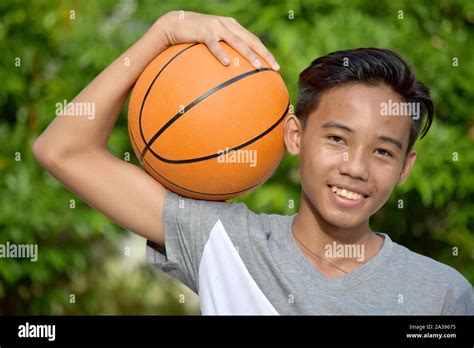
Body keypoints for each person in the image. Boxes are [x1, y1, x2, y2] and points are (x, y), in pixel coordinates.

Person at [33, 11, 473, 315]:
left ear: (405, 167)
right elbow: (62, 149)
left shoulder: (441, 295)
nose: (355, 168)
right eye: (337, 139)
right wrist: (164, 31)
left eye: (382, 151)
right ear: (295, 136)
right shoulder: (220, 242)